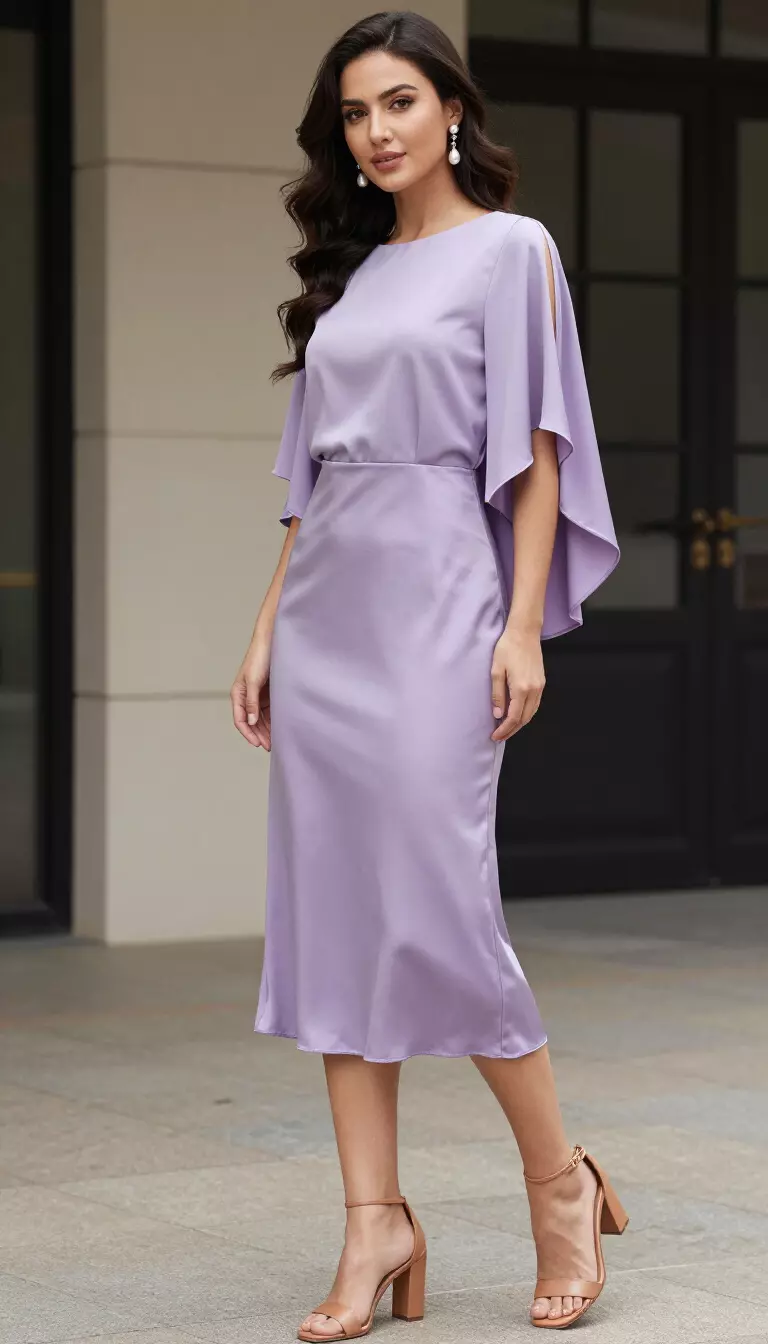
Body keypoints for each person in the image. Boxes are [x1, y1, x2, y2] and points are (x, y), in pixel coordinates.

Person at [230, 11, 627, 1340]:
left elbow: (538, 449)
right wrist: (267, 624)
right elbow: (311, 478)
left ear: (450, 109)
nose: (378, 130)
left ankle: (558, 1182)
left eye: (399, 101)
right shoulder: (349, 279)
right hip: (332, 616)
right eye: (354, 114)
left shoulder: (513, 252)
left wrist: (520, 626)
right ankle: (371, 1227)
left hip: (443, 604)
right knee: (338, 921)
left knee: (443, 916)